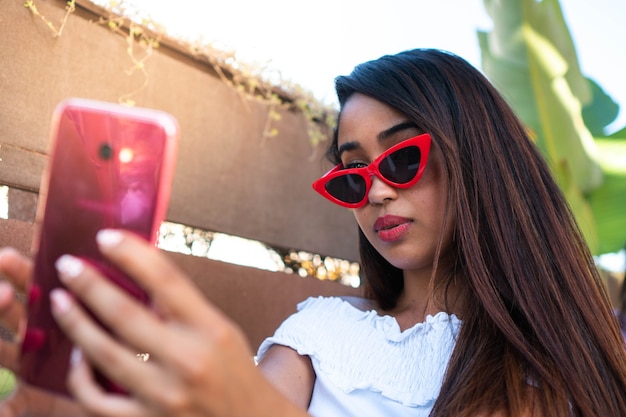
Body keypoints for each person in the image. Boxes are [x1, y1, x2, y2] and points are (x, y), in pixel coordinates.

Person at [0, 48, 624, 417]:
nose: (376, 189)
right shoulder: (322, 331)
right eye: (351, 176)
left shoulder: (568, 366)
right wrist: (122, 361)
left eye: (403, 159)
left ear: (480, 159)